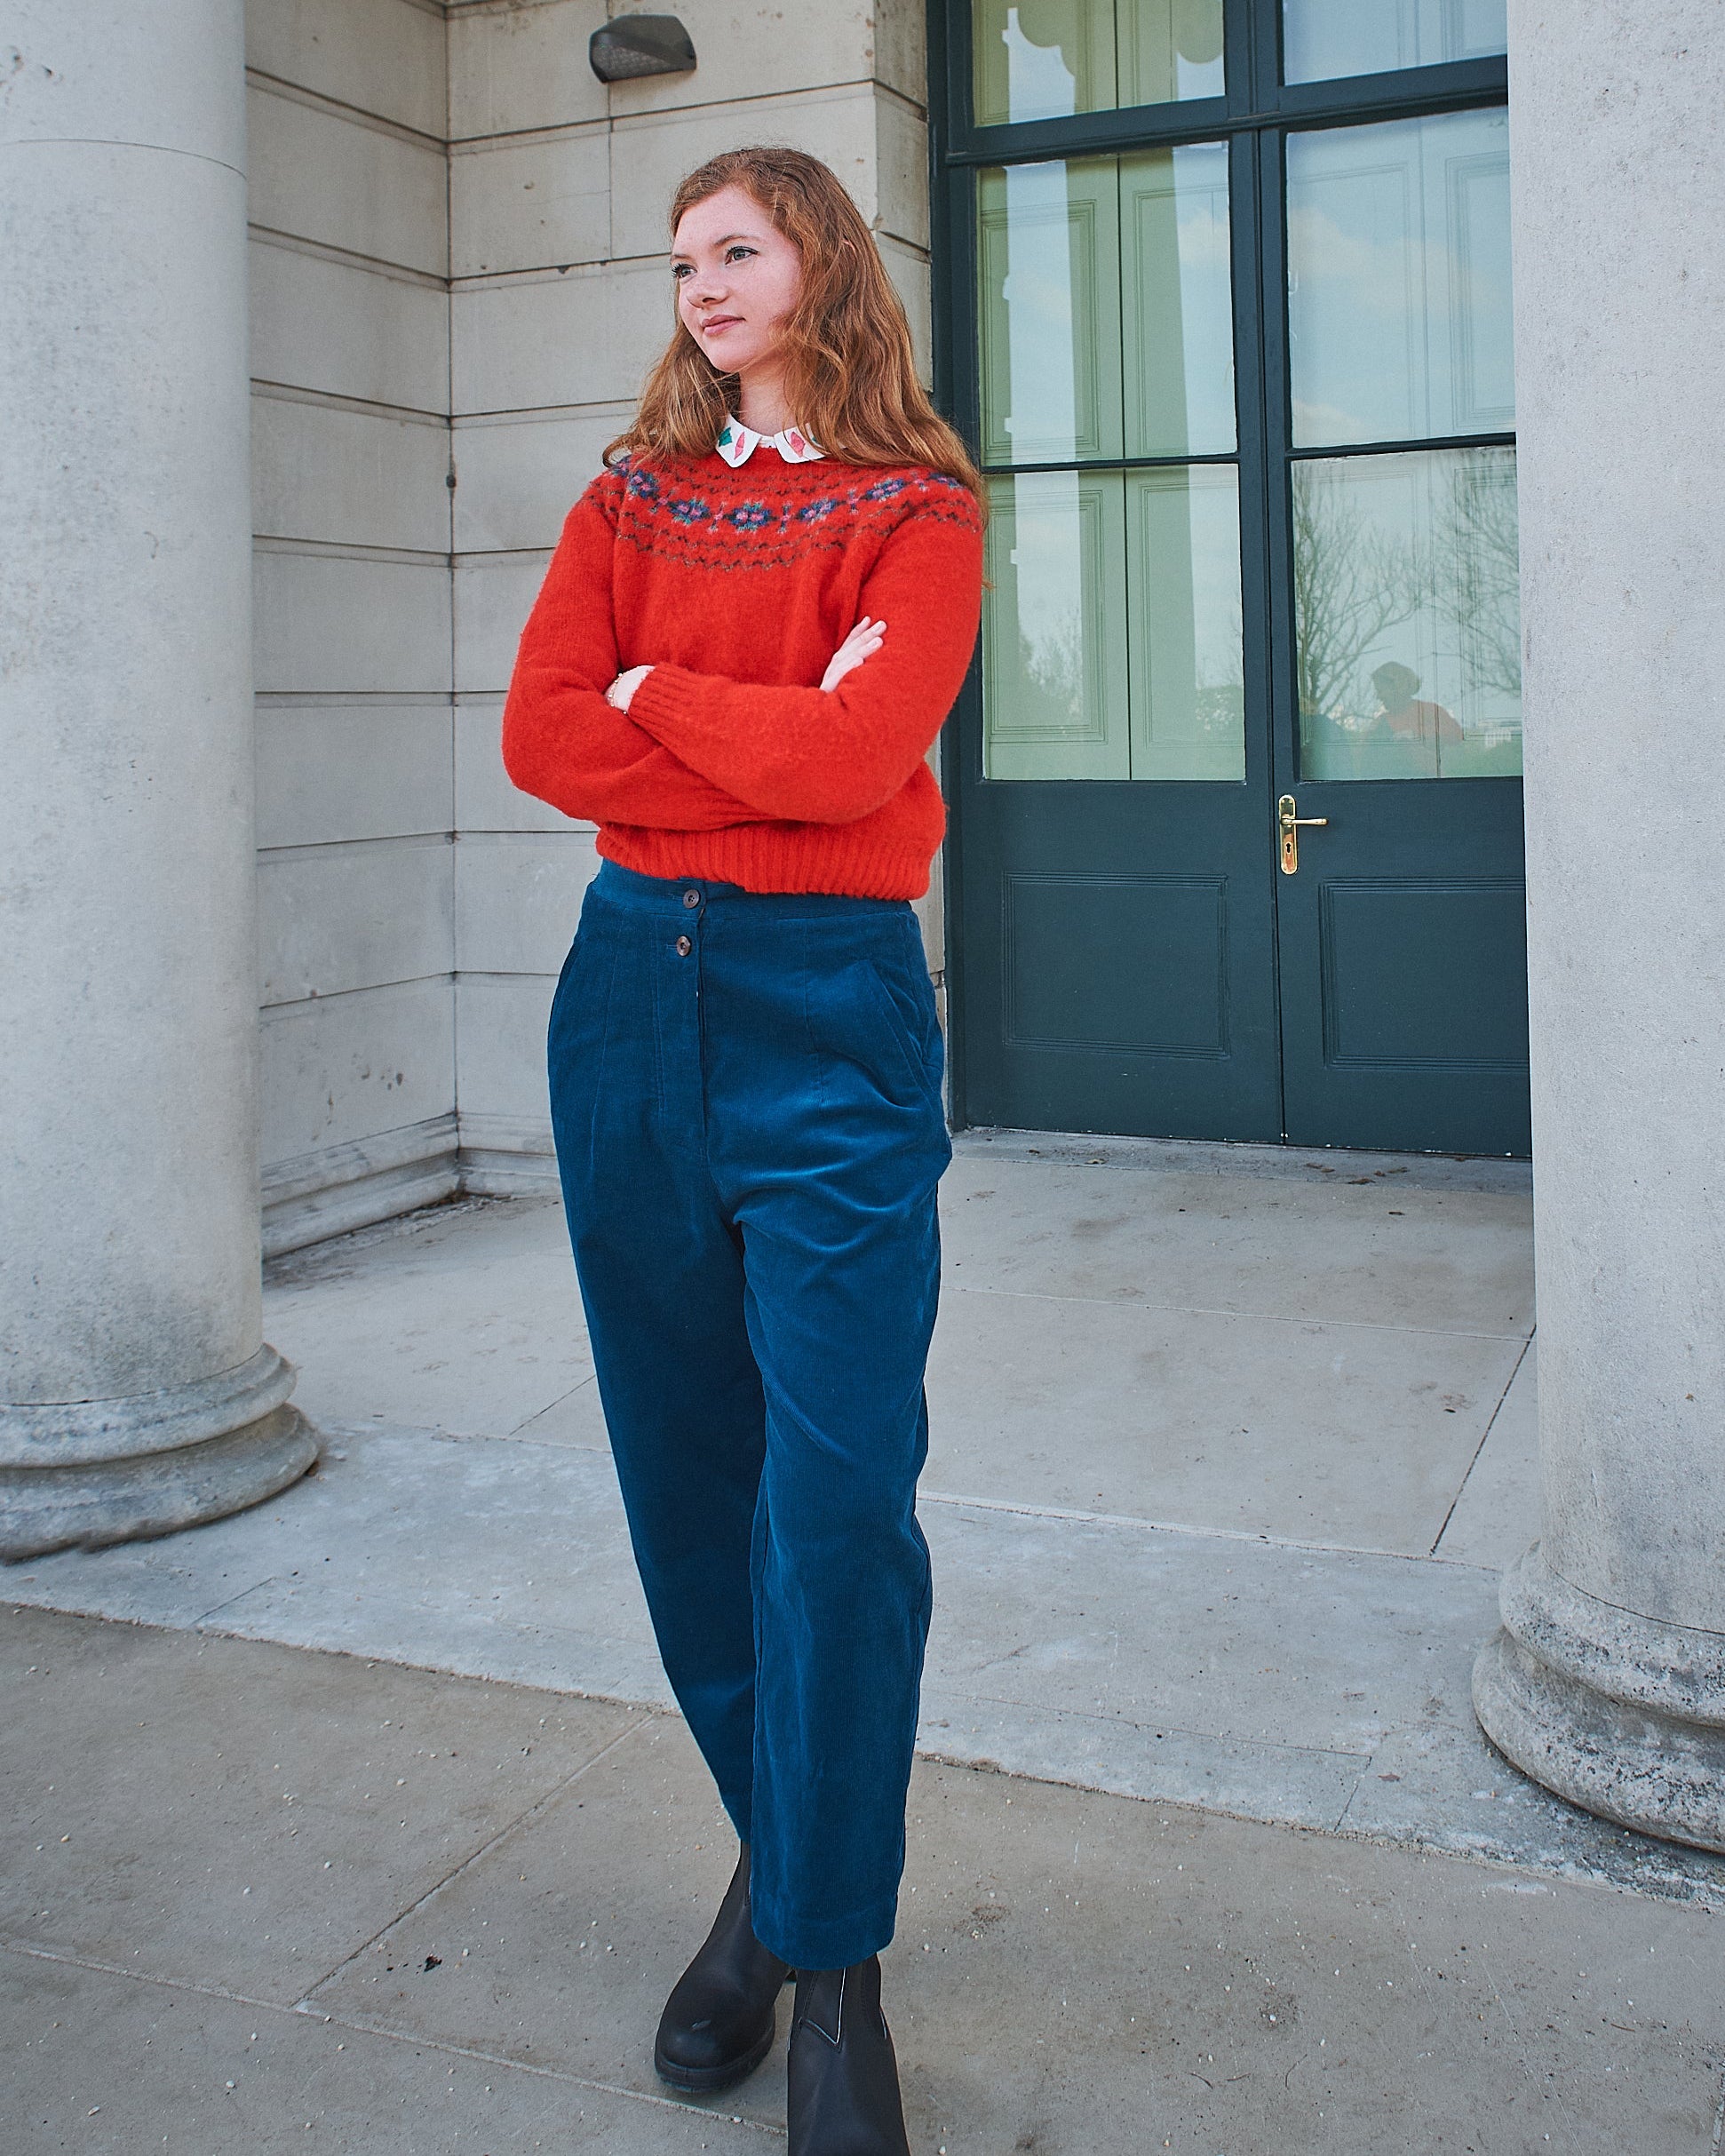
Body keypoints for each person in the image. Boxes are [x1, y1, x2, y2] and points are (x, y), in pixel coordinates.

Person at [501, 147, 985, 2154]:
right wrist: (710, 715)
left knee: (840, 1503)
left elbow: (859, 760)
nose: (701, 282)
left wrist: (653, 688)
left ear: (819, 265)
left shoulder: (919, 511)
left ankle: (829, 1959)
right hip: (628, 1005)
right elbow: (542, 731)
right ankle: (775, 1884)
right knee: (692, 1493)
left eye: (737, 247)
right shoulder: (622, 494)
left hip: (830, 1022)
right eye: (681, 255)